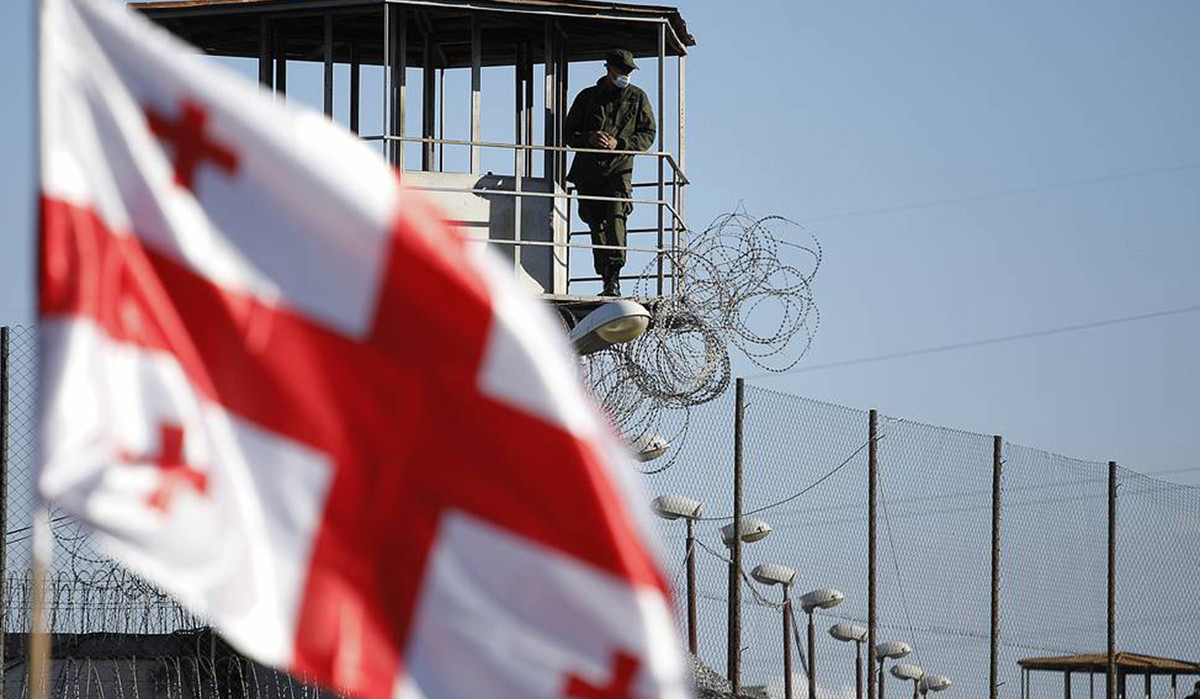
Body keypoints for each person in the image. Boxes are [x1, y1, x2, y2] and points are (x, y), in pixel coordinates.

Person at [564, 48, 657, 297]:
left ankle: (613, 276)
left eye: (628, 71)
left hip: (619, 170)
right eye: (622, 70)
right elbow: (567, 133)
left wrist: (620, 144)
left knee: (616, 216)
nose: (625, 75)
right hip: (588, 171)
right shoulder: (587, 97)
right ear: (609, 68)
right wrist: (589, 138)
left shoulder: (637, 97)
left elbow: (648, 134)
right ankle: (604, 274)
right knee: (596, 224)